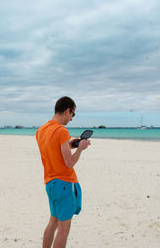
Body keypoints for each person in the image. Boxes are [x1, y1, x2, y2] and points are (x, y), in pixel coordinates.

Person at [36, 96, 91, 248]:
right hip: (64, 183)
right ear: (67, 111)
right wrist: (80, 148)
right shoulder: (61, 130)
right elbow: (69, 163)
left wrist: (70, 144)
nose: (72, 118)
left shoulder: (41, 131)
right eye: (73, 114)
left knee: (53, 222)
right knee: (63, 229)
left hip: (50, 183)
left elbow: (54, 150)